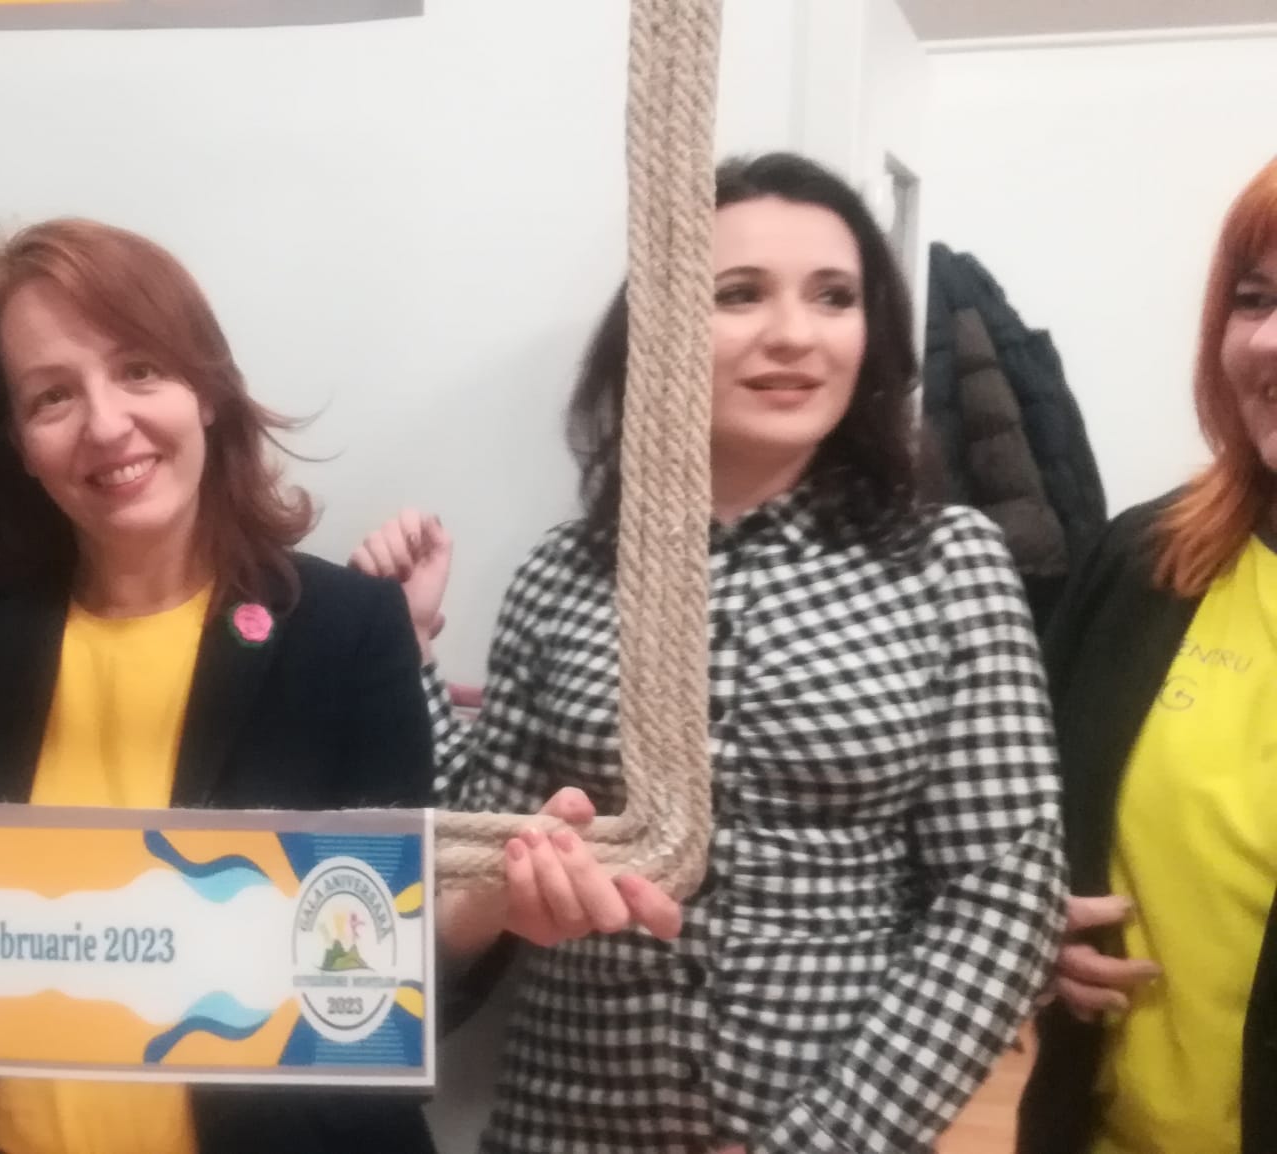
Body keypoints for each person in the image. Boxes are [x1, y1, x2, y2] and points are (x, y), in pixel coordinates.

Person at [0, 216, 624, 1153]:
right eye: (51, 396)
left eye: (140, 369)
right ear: (19, 444)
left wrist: (493, 903)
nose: (106, 424)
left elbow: (381, 967)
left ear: (206, 390)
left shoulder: (348, 634)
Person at [355, 152, 1066, 1153]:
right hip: (566, 1128)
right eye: (738, 294)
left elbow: (1002, 892)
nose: (794, 333)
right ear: (657, 324)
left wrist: (817, 1142)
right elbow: (477, 864)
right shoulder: (562, 574)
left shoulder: (948, 563)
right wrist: (409, 648)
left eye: (834, 296)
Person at [1018, 155, 1277, 1154]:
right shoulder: (1144, 560)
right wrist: (1024, 936)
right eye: (1253, 299)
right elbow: (1025, 820)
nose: (1268, 340)